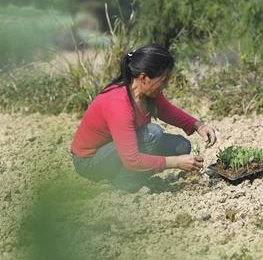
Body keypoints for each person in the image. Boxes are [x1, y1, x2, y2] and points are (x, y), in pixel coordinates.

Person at [71, 43, 216, 192]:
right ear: (144, 78)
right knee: (153, 133)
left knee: (181, 146)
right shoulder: (118, 103)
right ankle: (125, 183)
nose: (166, 85)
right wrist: (176, 162)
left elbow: (167, 110)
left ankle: (126, 176)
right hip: (91, 161)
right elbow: (132, 158)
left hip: (120, 148)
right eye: (164, 80)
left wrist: (198, 125)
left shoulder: (148, 93)